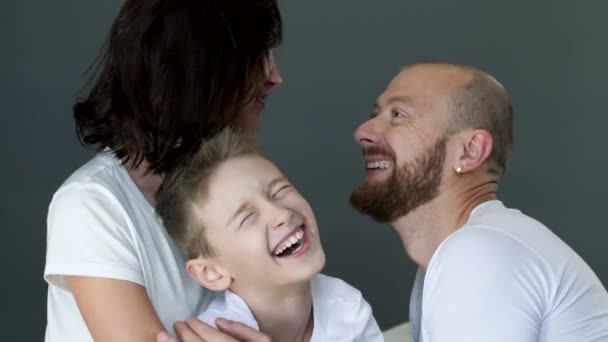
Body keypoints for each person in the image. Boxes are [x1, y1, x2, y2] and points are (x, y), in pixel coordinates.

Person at [43, 1, 284, 341]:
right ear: (203, 70)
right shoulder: (90, 205)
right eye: (258, 56)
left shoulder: (232, 184)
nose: (275, 77)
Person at [350, 62, 608, 341]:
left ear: (469, 151)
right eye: (374, 114)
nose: (363, 131)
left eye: (398, 114)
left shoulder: (477, 252)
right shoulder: (457, 256)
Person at [155, 128, 384, 342]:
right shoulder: (213, 336)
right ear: (211, 272)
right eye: (247, 218)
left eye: (279, 190)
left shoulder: (347, 309)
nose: (281, 213)